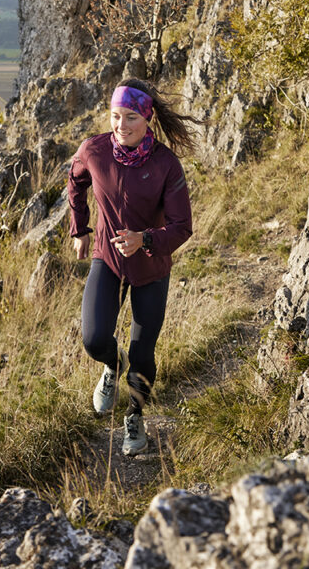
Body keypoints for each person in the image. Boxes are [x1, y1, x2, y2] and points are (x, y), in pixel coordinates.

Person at [67, 78, 198, 455]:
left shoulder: (165, 165)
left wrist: (146, 239)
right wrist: (80, 230)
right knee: (94, 340)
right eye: (114, 116)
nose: (120, 126)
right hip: (107, 259)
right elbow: (75, 182)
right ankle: (112, 363)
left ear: (147, 118)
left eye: (129, 118)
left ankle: (135, 418)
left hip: (150, 268)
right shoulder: (94, 151)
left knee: (143, 355)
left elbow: (182, 226)